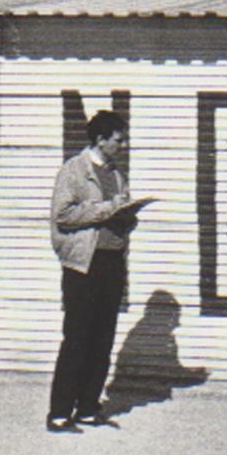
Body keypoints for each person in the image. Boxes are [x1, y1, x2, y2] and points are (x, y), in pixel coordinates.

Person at [47, 110, 146, 432]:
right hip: (83, 265)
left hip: (111, 262)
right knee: (77, 338)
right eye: (119, 139)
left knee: (103, 338)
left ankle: (88, 406)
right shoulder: (74, 170)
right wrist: (108, 209)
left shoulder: (117, 175)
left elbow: (116, 215)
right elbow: (63, 215)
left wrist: (128, 215)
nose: (124, 144)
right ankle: (60, 413)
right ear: (100, 139)